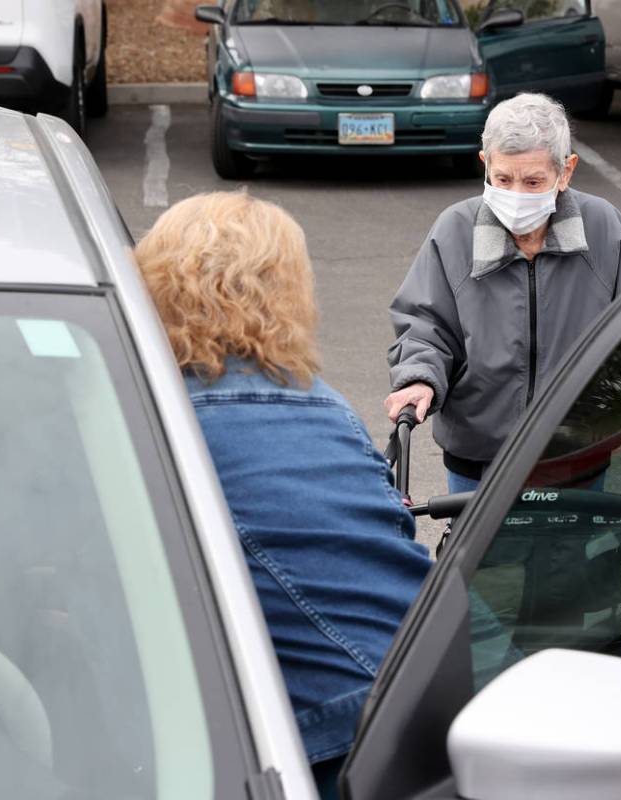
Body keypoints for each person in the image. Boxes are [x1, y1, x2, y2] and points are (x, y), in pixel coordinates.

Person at [134, 191, 431, 800]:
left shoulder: (152, 416)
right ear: (288, 294)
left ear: (154, 283)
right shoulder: (319, 403)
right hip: (415, 695)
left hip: (335, 739)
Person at [385, 92, 621, 494]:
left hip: (579, 451)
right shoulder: (454, 230)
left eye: (533, 182)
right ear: (485, 164)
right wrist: (419, 377)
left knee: (581, 557)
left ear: (566, 171)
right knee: (483, 560)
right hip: (479, 456)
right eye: (503, 179)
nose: (517, 196)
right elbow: (426, 326)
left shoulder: (603, 228)